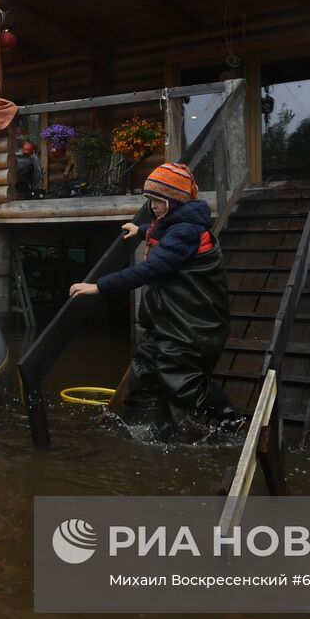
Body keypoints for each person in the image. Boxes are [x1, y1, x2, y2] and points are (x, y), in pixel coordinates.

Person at [68, 162, 238, 434]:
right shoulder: (179, 224)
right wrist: (142, 231)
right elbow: (163, 231)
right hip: (168, 321)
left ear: (175, 200)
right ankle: (157, 430)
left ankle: (230, 420)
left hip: (192, 324)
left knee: (182, 382)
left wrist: (99, 286)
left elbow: (152, 269)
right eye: (150, 200)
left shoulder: (185, 232)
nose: (153, 206)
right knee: (143, 373)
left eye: (158, 201)